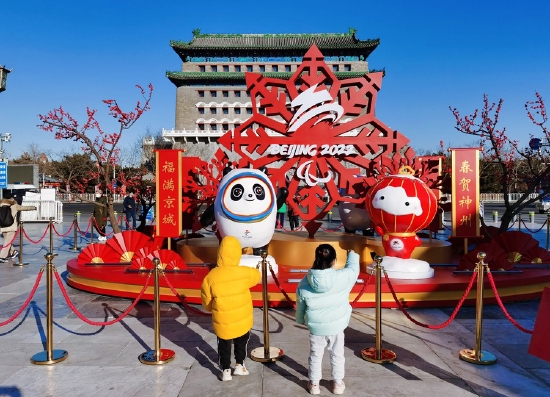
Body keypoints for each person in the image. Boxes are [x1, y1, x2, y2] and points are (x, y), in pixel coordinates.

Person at [295, 244, 360, 395]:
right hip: (337, 326)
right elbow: (353, 269)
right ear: (334, 260)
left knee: (316, 355)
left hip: (316, 328)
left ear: (316, 257)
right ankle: (337, 384)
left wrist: (300, 320)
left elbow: (301, 304)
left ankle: (314, 385)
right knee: (337, 354)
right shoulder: (343, 277)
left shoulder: (304, 283)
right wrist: (351, 254)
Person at [201, 236, 261, 381]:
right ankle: (240, 365)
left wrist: (212, 309)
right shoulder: (245, 272)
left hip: (223, 319)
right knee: (242, 341)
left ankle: (226, 370)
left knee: (224, 345)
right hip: (242, 317)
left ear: (220, 253)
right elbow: (257, 276)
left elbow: (206, 302)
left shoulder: (211, 276)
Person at [0, 193, 37, 262]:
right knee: (7, 243)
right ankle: (2, 257)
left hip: (3, 227)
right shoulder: (14, 205)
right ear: (11, 198)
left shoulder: (0, 204)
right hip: (11, 227)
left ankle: (13, 252)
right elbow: (25, 208)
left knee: (8, 241)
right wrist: (34, 207)